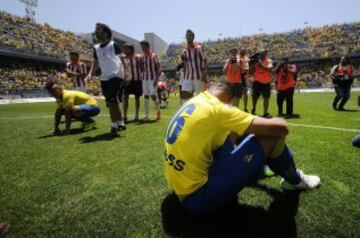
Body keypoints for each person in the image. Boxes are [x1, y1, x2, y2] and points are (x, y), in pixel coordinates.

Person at [164, 79, 321, 216]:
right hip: (198, 199)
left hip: (180, 190)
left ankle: (259, 168)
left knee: (234, 130)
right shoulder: (219, 109)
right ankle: (294, 181)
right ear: (231, 99)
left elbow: (228, 135)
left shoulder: (196, 100)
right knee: (271, 137)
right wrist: (273, 119)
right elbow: (282, 128)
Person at [85, 23, 126, 136]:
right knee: (111, 102)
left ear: (105, 32)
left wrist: (127, 72)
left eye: (98, 29)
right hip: (104, 77)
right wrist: (90, 74)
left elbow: (123, 60)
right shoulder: (96, 48)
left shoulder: (114, 44)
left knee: (112, 100)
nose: (96, 31)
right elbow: (95, 62)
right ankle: (121, 122)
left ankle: (113, 125)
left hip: (116, 75)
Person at [181, 29, 207, 104]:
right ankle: (187, 112)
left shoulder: (199, 48)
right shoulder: (184, 51)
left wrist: (205, 73)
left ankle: (202, 113)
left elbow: (205, 60)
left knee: (200, 97)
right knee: (184, 94)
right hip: (188, 76)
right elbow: (185, 64)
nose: (188, 37)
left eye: (189, 35)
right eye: (187, 35)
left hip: (198, 76)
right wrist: (184, 75)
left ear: (193, 37)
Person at [139, 40, 161, 121]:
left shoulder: (154, 56)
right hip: (144, 79)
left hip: (152, 79)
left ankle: (158, 110)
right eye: (141, 47)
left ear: (148, 47)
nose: (142, 49)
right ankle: (146, 115)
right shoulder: (142, 57)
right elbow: (142, 68)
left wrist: (156, 79)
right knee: (146, 96)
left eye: (143, 47)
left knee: (153, 95)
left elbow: (159, 69)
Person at [122, 43, 142, 123]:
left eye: (127, 48)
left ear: (131, 49)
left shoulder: (137, 57)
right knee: (125, 98)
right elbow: (122, 69)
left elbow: (142, 68)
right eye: (124, 49)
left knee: (137, 98)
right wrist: (124, 79)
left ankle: (136, 115)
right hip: (127, 81)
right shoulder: (123, 58)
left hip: (137, 80)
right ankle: (125, 116)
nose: (125, 50)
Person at [250, 49, 273, 117]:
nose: (263, 54)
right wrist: (251, 64)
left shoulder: (269, 61)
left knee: (266, 98)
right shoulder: (255, 61)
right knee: (255, 97)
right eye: (262, 53)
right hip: (257, 82)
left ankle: (265, 113)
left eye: (264, 53)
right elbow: (251, 73)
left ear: (266, 54)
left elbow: (270, 70)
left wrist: (261, 64)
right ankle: (254, 108)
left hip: (266, 82)